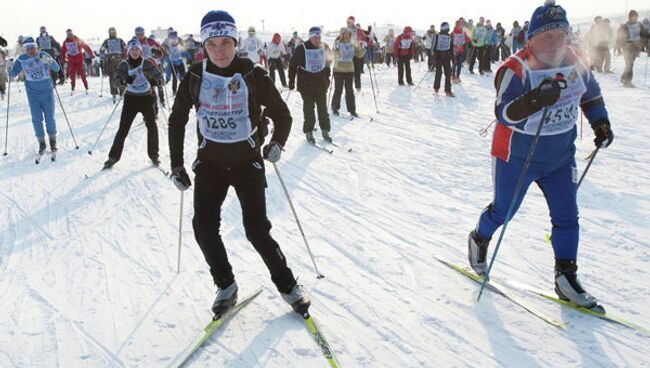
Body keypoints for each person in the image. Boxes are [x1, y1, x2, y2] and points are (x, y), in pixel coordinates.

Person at [468, 0, 614, 309]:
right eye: (545, 36)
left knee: (567, 216)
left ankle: (566, 277)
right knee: (504, 211)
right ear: (530, 38)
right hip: (516, 156)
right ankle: (479, 238)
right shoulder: (516, 68)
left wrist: (599, 121)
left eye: (559, 35)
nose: (553, 43)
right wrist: (534, 100)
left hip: (560, 156)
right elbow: (503, 112)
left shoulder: (576, 60)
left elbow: (591, 93)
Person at [168, 10, 311, 316]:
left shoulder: (252, 73)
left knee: (256, 230)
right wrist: (177, 165)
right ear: (203, 46)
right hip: (210, 164)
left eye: (225, 43)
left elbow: (282, 115)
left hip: (247, 163)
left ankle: (288, 287)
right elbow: (177, 120)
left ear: (235, 42)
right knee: (203, 227)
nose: (219, 51)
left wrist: (277, 143)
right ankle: (226, 284)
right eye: (212, 45)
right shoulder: (195, 76)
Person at [103, 39, 163, 170]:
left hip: (147, 98)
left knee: (152, 127)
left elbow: (160, 77)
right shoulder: (124, 65)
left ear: (140, 50)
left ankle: (154, 155)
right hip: (131, 99)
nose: (135, 52)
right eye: (132, 50)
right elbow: (115, 81)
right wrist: (124, 81)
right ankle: (113, 157)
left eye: (137, 50)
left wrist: (156, 81)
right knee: (123, 129)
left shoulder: (146, 63)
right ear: (128, 51)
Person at [8, 37, 61, 154]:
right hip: (32, 94)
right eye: (28, 48)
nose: (31, 51)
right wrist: (10, 65)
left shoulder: (42, 55)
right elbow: (12, 73)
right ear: (25, 49)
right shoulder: (22, 59)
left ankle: (53, 141)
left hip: (47, 92)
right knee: (36, 119)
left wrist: (50, 61)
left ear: (36, 47)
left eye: (33, 48)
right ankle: (41, 143)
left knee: (50, 118)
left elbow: (56, 68)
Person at [289, 26, 332, 142]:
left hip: (321, 84)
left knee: (323, 109)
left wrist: (328, 77)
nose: (317, 39)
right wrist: (291, 80)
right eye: (314, 37)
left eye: (318, 36)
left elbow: (329, 61)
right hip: (306, 85)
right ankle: (309, 131)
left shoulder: (324, 47)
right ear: (310, 36)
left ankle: (325, 130)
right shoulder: (302, 48)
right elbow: (293, 65)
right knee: (309, 109)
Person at [331, 27, 362, 117]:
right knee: (338, 89)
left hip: (349, 69)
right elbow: (334, 54)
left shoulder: (352, 43)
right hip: (339, 69)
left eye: (347, 33)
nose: (346, 35)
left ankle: (352, 110)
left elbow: (358, 54)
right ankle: (335, 107)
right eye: (344, 33)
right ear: (341, 34)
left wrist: (362, 49)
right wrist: (340, 54)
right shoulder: (337, 43)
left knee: (349, 90)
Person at [615, 10, 650, 88]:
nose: (636, 18)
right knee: (629, 64)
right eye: (634, 16)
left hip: (635, 47)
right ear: (630, 17)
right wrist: (618, 48)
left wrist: (648, 35)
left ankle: (624, 77)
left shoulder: (639, 25)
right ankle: (627, 82)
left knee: (629, 64)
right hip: (626, 46)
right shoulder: (624, 26)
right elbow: (619, 38)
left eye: (637, 16)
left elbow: (644, 34)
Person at [59, 29, 93, 93]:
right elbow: (62, 51)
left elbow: (85, 46)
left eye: (71, 34)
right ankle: (73, 87)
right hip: (71, 60)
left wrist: (91, 54)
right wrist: (62, 59)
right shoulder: (65, 42)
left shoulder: (77, 39)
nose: (70, 35)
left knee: (82, 73)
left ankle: (86, 86)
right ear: (67, 35)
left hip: (79, 59)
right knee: (72, 74)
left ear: (72, 34)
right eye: (68, 34)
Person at [99, 27, 127, 103]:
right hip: (110, 61)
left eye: (113, 32)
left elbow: (125, 48)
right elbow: (101, 50)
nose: (112, 33)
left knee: (121, 76)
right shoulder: (106, 41)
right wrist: (102, 57)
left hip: (120, 60)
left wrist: (126, 56)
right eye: (111, 32)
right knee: (112, 77)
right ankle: (114, 93)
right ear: (109, 33)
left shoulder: (120, 40)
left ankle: (122, 92)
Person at [433, 22, 454, 97]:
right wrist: (434, 57)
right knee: (439, 73)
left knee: (448, 73)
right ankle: (436, 88)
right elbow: (433, 47)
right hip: (438, 57)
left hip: (446, 57)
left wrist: (452, 57)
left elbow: (451, 48)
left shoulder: (449, 37)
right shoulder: (437, 36)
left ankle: (448, 90)